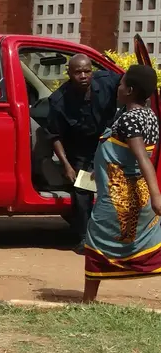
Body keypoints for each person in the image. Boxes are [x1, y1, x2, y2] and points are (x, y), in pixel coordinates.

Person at [83, 64, 161, 302]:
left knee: (96, 239)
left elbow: (141, 158)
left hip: (122, 198)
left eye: (123, 82)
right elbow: (121, 152)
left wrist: (157, 196)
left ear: (130, 90)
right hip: (134, 193)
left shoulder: (130, 120)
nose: (118, 86)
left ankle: (87, 300)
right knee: (149, 243)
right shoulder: (148, 115)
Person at [47, 54, 122, 254]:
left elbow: (128, 81)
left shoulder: (107, 81)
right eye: (78, 72)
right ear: (69, 74)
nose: (83, 76)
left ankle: (118, 236)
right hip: (79, 150)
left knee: (116, 186)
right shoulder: (59, 100)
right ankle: (84, 237)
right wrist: (67, 166)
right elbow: (55, 136)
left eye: (87, 71)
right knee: (82, 191)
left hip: (107, 144)